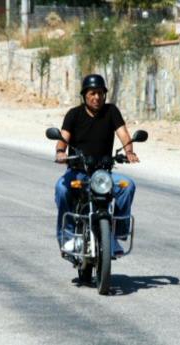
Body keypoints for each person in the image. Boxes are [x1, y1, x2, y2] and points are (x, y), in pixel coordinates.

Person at [54, 74, 139, 256]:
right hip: (79, 173)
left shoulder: (111, 112)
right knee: (61, 189)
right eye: (92, 93)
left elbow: (124, 134)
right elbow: (63, 139)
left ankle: (116, 235)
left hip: (103, 175)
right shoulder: (74, 115)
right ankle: (68, 236)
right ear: (84, 95)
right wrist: (61, 152)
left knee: (128, 186)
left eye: (100, 93)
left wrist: (129, 151)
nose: (97, 97)